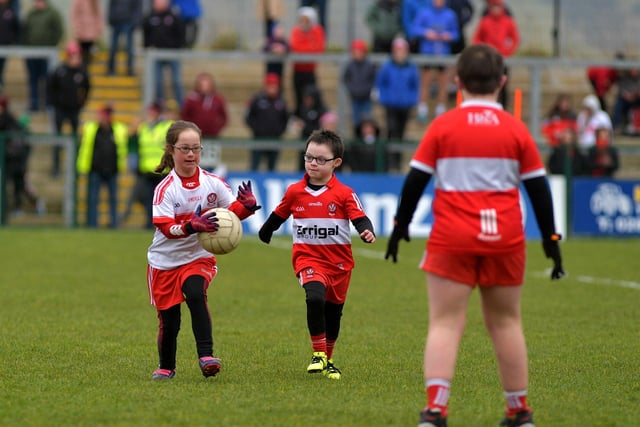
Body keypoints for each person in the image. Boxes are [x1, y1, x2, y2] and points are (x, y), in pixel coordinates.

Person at [384, 44, 565, 427]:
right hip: (505, 238)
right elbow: (539, 189)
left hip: (453, 236)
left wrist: (400, 227)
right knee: (507, 322)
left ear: (457, 81)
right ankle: (519, 412)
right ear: (502, 82)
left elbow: (415, 181)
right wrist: (551, 240)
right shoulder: (516, 129)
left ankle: (435, 411)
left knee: (446, 323)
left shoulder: (443, 126)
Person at [146, 120, 261, 380]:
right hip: (164, 261)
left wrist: (247, 206)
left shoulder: (213, 183)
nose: (190, 154)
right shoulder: (165, 189)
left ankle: (207, 356)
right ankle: (166, 367)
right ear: (171, 150)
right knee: (170, 321)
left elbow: (231, 216)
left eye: (196, 148)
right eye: (185, 148)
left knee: (196, 293)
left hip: (198, 257)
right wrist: (190, 226)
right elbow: (166, 228)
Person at [258, 129, 376, 381]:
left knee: (334, 314)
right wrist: (266, 230)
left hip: (340, 265)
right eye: (309, 157)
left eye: (320, 159)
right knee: (314, 297)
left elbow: (360, 217)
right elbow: (280, 213)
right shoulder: (294, 192)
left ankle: (329, 359)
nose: (313, 163)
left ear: (336, 163)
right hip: (308, 259)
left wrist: (366, 231)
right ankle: (318, 354)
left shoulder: (344, 193)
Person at [76, 105, 128, 228]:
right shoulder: (91, 128)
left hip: (112, 170)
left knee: (113, 200)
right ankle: (92, 224)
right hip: (95, 170)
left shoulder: (118, 129)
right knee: (93, 199)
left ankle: (114, 224)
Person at [47, 41, 90, 178]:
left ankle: (74, 168)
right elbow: (50, 88)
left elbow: (87, 88)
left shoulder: (82, 73)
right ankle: (56, 168)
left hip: (73, 110)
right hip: (60, 109)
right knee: (58, 139)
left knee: (75, 139)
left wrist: (81, 103)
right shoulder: (60, 71)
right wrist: (54, 103)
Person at [411, 0, 459, 122]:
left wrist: (448, 36)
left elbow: (456, 34)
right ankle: (422, 109)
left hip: (443, 54)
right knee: (425, 80)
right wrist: (426, 33)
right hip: (427, 53)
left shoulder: (450, 14)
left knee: (443, 81)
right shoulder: (424, 13)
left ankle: (440, 109)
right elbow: (415, 28)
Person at [129, 101, 174, 229]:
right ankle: (151, 222)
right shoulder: (143, 127)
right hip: (146, 170)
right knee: (146, 199)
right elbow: (133, 142)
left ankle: (162, 222)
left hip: (162, 170)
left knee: (161, 200)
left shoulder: (167, 126)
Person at [0, 96, 44, 217]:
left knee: (20, 186)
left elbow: (18, 146)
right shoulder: (12, 122)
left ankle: (30, 206)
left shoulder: (7, 121)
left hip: (14, 161)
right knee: (20, 186)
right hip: (16, 161)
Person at [472, 0, 519, 108]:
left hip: (502, 59)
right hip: (488, 60)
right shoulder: (485, 21)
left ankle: (503, 108)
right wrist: (484, 51)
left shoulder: (508, 22)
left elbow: (514, 39)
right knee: (487, 84)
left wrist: (507, 52)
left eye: (497, 6)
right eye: (493, 6)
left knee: (503, 86)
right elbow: (477, 38)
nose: (496, 9)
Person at [374, 37, 420, 143]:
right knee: (391, 129)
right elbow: (381, 83)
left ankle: (397, 157)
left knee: (401, 132)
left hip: (405, 104)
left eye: (402, 51)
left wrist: (411, 100)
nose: (400, 54)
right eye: (397, 51)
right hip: (391, 104)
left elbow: (415, 85)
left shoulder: (411, 67)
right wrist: (384, 98)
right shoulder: (387, 66)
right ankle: (390, 157)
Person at [22, 0, 64, 112]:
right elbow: (25, 31)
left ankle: (46, 103)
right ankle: (34, 103)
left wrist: (51, 44)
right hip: (32, 53)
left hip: (47, 53)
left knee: (46, 79)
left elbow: (59, 31)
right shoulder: (31, 14)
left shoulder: (52, 13)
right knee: (33, 79)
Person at [143, 0, 186, 106]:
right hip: (156, 54)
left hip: (172, 53)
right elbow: (146, 32)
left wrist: (177, 46)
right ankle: (160, 106)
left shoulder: (174, 16)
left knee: (176, 81)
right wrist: (148, 46)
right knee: (157, 82)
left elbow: (181, 32)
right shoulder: (150, 17)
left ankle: (181, 106)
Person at [244, 72, 290, 172]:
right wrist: (257, 129)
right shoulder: (257, 100)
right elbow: (248, 117)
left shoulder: (281, 102)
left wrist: (279, 131)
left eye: (274, 86)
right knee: (254, 165)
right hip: (258, 139)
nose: (272, 89)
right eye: (270, 86)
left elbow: (286, 119)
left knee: (272, 166)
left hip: (275, 139)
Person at [290, 6, 325, 118]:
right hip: (298, 70)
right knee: (298, 96)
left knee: (312, 96)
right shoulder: (296, 31)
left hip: (310, 70)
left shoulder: (317, 30)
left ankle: (311, 118)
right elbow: (295, 47)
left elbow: (318, 49)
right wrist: (308, 47)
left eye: (307, 20)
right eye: (302, 20)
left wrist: (305, 47)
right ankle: (300, 119)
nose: (304, 23)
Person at [342, 39, 377, 133]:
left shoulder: (369, 65)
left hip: (366, 97)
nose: (358, 54)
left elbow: (373, 79)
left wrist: (368, 90)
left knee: (367, 119)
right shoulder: (350, 66)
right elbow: (346, 79)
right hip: (355, 97)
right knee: (356, 120)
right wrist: (352, 89)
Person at [180, 72, 228, 138]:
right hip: (194, 135)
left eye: (207, 84)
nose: (205, 87)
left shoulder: (217, 99)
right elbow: (184, 115)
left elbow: (224, 116)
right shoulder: (191, 99)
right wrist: (191, 128)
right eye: (202, 84)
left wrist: (217, 128)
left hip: (213, 136)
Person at [294, 84, 327, 170]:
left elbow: (321, 128)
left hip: (318, 144)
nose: (307, 101)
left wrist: (304, 126)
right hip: (304, 142)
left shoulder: (322, 110)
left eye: (309, 98)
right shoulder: (303, 108)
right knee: (303, 164)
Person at [107, 0, 143, 76]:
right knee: (113, 47)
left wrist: (135, 22)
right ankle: (111, 69)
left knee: (129, 48)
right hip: (116, 21)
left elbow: (138, 8)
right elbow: (111, 5)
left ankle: (130, 70)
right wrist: (110, 19)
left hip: (128, 22)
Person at [70, 0, 104, 68]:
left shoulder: (95, 2)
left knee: (88, 55)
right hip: (81, 33)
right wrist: (77, 30)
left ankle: (85, 72)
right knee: (80, 54)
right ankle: (81, 71)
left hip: (91, 33)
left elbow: (98, 15)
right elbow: (75, 15)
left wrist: (98, 29)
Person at [611, 67, 640, 134]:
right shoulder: (625, 78)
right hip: (626, 100)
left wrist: (635, 95)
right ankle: (616, 127)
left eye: (636, 70)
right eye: (633, 70)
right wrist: (628, 96)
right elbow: (622, 91)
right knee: (619, 103)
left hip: (637, 100)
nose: (635, 71)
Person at [0, 0, 20, 90]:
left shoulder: (11, 11)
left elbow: (16, 27)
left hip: (5, 44)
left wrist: (15, 40)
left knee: (1, 67)